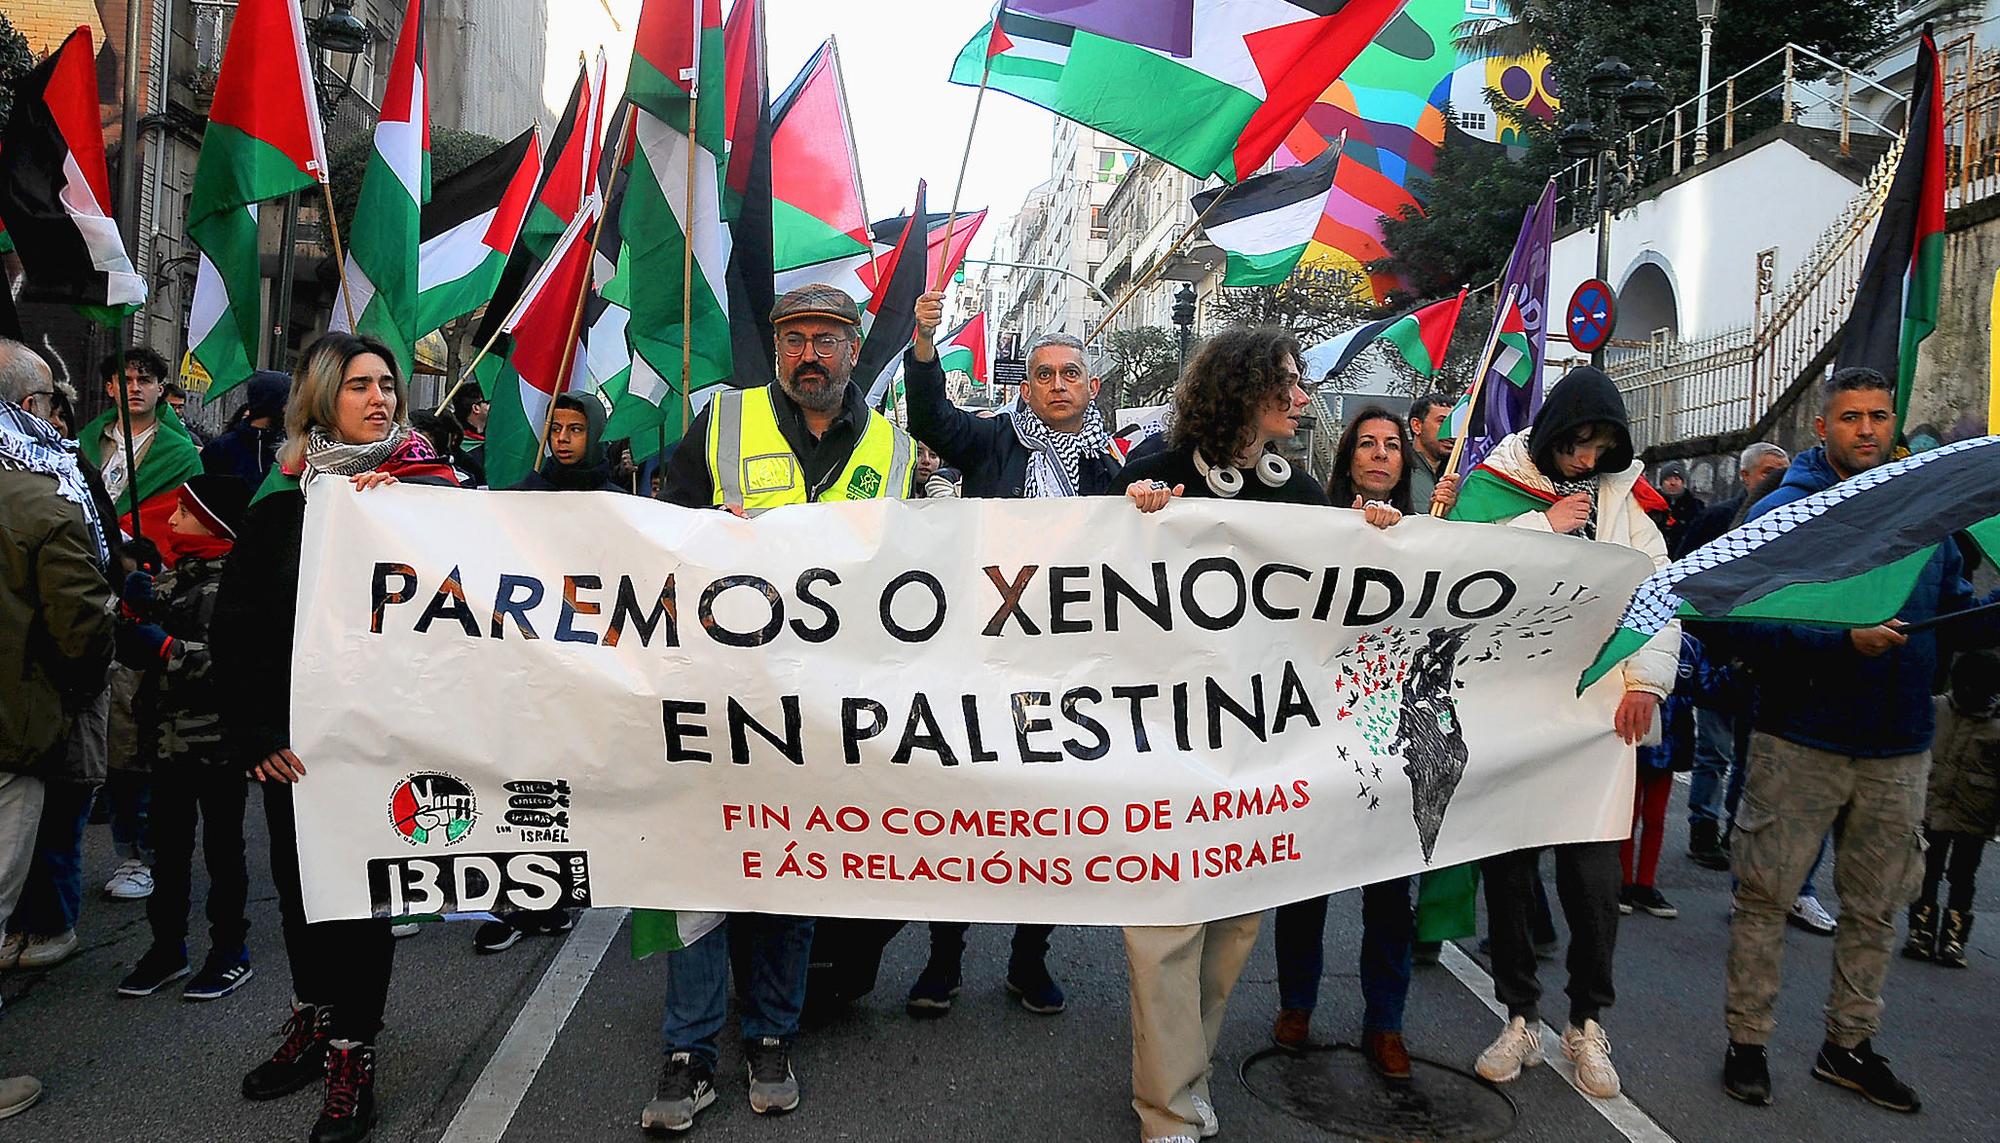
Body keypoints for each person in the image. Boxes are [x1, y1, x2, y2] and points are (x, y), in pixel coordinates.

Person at [1114, 326, 1401, 1143]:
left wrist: (1373, 537)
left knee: (1233, 928)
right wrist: (1135, 523)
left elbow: (1335, 602)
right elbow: (1100, 601)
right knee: (1166, 924)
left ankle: (1187, 1074)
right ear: (1244, 389)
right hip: (1167, 743)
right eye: (1288, 381)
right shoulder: (1153, 480)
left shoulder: (1304, 497)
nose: (1303, 397)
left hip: (1257, 746)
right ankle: (1165, 1108)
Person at [643, 284, 915, 1135]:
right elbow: (657, 529)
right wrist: (700, 532)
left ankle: (769, 1033)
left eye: (827, 339)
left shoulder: (896, 450)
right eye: (795, 337)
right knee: (700, 871)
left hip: (827, 703)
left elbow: (916, 571)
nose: (810, 354)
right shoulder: (722, 423)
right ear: (777, 346)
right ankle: (688, 1051)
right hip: (720, 687)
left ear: (852, 346)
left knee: (792, 870)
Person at [1715, 366, 2000, 1113]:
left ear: (1894, 421)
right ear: (1823, 427)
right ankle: (1747, 1043)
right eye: (1851, 418)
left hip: (1900, 748)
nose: (1867, 430)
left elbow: (1960, 615)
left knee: (1877, 909)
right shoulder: (1785, 511)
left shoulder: (1923, 511)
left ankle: (1848, 1045)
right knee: (1765, 898)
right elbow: (1732, 619)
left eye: (1878, 416)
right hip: (1799, 739)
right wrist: (1841, 641)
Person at [213, 332, 460, 1143]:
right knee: (298, 890)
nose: (380, 398)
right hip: (294, 749)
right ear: (323, 399)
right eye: (359, 385)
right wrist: (253, 731)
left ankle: (354, 1053)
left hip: (385, 745)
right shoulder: (282, 499)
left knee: (362, 900)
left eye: (387, 384)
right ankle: (315, 1020)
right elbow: (239, 627)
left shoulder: (432, 492)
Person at [897, 302, 1121, 1019]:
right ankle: (944, 956)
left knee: (1047, 819)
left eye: (1071, 374)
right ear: (1024, 388)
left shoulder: (1110, 469)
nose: (1057, 384)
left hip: (1064, 674)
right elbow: (932, 421)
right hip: (982, 660)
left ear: (1090, 387)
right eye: (1044, 374)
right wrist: (925, 343)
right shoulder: (994, 441)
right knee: (966, 809)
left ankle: (1030, 957)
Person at [1465, 365, 1675, 1102]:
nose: (1587, 460)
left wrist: (1647, 678)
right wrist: (1538, 529)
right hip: (1511, 712)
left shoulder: (1621, 501)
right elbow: (1458, 567)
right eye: (1578, 442)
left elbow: (1658, 587)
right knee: (1510, 871)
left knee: (1591, 880)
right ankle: (1519, 1014)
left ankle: (1587, 1020)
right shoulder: (1489, 483)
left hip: (1593, 717)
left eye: (1601, 448)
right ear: (1554, 432)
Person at [1270, 406, 1420, 1079]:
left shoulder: (1434, 537)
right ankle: (1296, 1003)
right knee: (1306, 878)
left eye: (1392, 445)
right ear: (1348, 458)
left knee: (1391, 892)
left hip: (1395, 736)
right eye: (1368, 444)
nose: (1381, 454)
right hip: (1317, 730)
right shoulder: (1313, 526)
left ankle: (1384, 1022)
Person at [0, 337, 117, 1119]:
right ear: (33, 410)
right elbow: (84, 629)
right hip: (12, 734)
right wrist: (76, 696)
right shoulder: (45, 500)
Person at [465, 393, 618, 957]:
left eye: (576, 429)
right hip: (525, 662)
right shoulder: (526, 494)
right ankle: (517, 898)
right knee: (521, 781)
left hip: (585, 665)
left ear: (595, 436)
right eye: (555, 428)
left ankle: (558, 895)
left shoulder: (613, 502)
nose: (563, 439)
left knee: (569, 781)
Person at [113, 474, 256, 1001]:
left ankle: (229, 951)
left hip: (219, 747)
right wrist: (132, 611)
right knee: (168, 853)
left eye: (183, 513)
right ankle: (167, 947)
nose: (171, 521)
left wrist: (167, 646)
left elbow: (236, 667)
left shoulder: (240, 586)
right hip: (166, 745)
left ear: (212, 523)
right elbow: (132, 647)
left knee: (224, 852)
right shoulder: (175, 581)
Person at [1682, 442, 1790, 869]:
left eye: (1782, 470)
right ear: (1745, 476)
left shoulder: (1793, 519)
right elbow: (1688, 579)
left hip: (1766, 659)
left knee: (1752, 756)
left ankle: (1736, 830)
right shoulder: (1715, 521)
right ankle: (1703, 828)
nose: (1776, 479)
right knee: (1714, 749)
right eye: (1768, 471)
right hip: (1720, 656)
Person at [1905, 650, 2000, 969]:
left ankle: (1953, 938)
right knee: (1927, 873)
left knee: (1961, 876)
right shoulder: (1936, 708)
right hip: (1935, 808)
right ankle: (1922, 932)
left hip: (1973, 814)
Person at [80, 347, 202, 561]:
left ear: (160, 389)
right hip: (83, 553)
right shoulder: (85, 441)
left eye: (145, 381)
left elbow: (190, 519)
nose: (135, 388)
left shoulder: (181, 455)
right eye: (126, 380)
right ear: (110, 388)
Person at [202, 371, 290, 486]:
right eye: (288, 403)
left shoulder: (288, 450)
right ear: (273, 405)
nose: (292, 410)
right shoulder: (221, 448)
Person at [1404, 392, 1460, 515]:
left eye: (1456, 424)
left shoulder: (1458, 474)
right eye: (1442, 422)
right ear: (1417, 426)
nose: (1451, 432)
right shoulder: (1398, 470)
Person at [1656, 464, 1703, 557]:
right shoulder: (1650, 505)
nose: (1673, 483)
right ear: (1661, 483)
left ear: (1683, 482)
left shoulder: (1696, 506)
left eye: (1677, 479)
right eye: (1668, 479)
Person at [448, 387, 489, 487]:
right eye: (488, 402)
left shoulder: (495, 438)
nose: (493, 405)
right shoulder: (454, 443)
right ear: (476, 408)